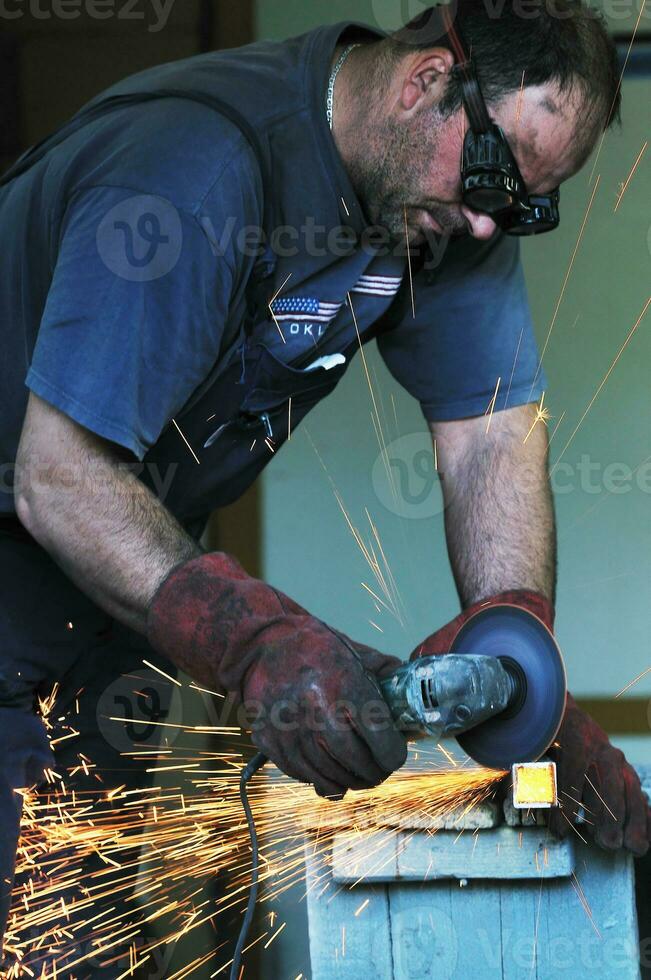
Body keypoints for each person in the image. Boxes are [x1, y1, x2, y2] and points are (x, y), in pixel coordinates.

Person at [1, 0, 648, 970]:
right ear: (427, 80)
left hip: (96, 623)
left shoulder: (439, 218)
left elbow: (492, 437)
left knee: (93, 940)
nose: (488, 218)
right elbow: (56, 477)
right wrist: (258, 638)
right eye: (490, 177)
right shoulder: (198, 169)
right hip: (34, 552)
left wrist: (516, 646)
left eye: (523, 204)